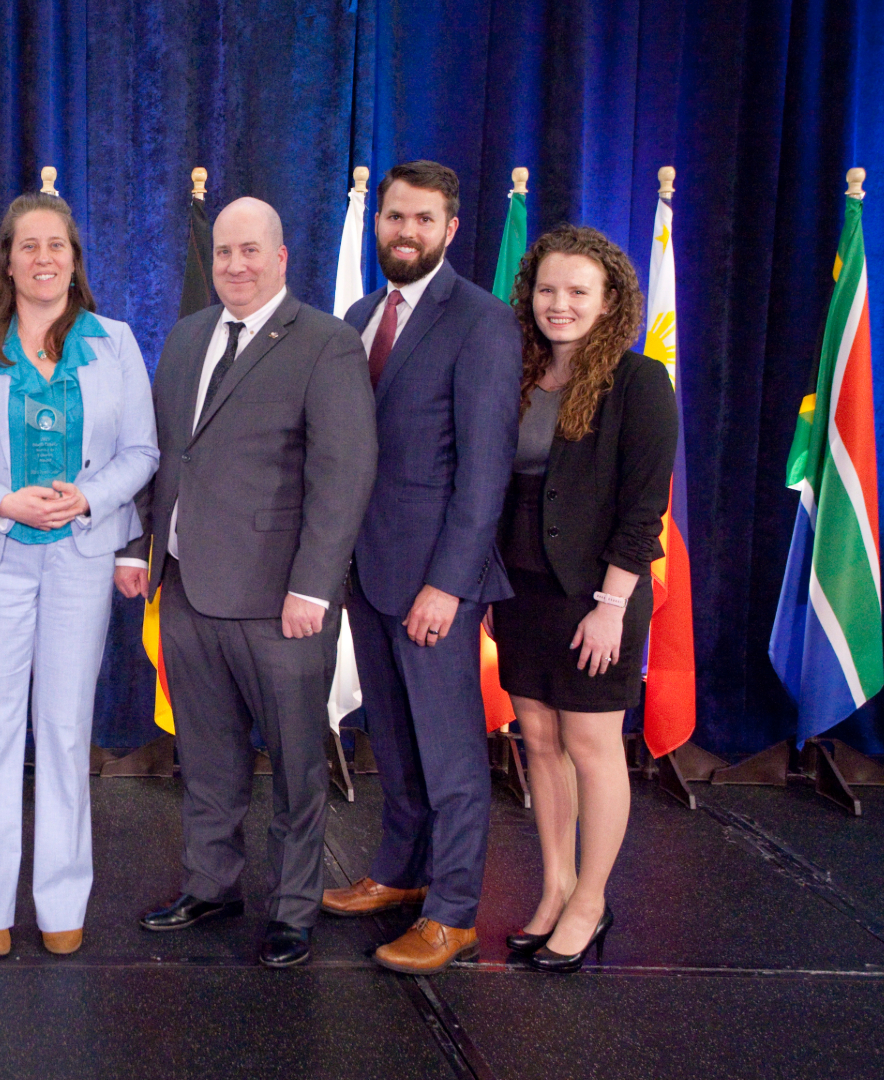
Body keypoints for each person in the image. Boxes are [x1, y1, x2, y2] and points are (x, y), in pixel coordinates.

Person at [117, 198, 377, 968]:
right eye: (224, 251)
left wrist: (315, 588)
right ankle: (212, 883)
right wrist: (139, 549)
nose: (233, 264)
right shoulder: (189, 334)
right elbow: (160, 452)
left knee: (297, 762)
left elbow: (343, 474)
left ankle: (294, 908)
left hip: (281, 602)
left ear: (282, 256)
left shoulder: (326, 344)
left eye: (249, 251)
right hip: (187, 588)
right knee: (206, 755)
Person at [0, 192, 159, 958]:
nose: (43, 259)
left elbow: (142, 452)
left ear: (74, 258)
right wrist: (5, 501)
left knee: (64, 732)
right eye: (28, 246)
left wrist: (87, 498)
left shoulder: (116, 342)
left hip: (81, 559)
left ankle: (63, 900)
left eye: (56, 245)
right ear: (8, 259)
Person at [322, 160, 522, 975]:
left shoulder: (482, 321)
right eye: (393, 217)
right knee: (396, 743)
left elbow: (484, 471)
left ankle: (453, 912)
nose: (404, 231)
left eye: (422, 219)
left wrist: (448, 583)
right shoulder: (363, 313)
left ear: (451, 229)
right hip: (368, 572)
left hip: (437, 580)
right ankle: (402, 875)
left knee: (448, 753)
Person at [495, 225, 674, 973]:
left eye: (577, 292)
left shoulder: (638, 382)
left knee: (592, 747)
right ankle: (556, 885)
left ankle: (592, 900)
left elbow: (642, 509)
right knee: (538, 742)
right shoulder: (516, 373)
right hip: (521, 588)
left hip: (597, 593)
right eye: (547, 290)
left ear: (608, 303)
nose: (559, 304)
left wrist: (610, 602)